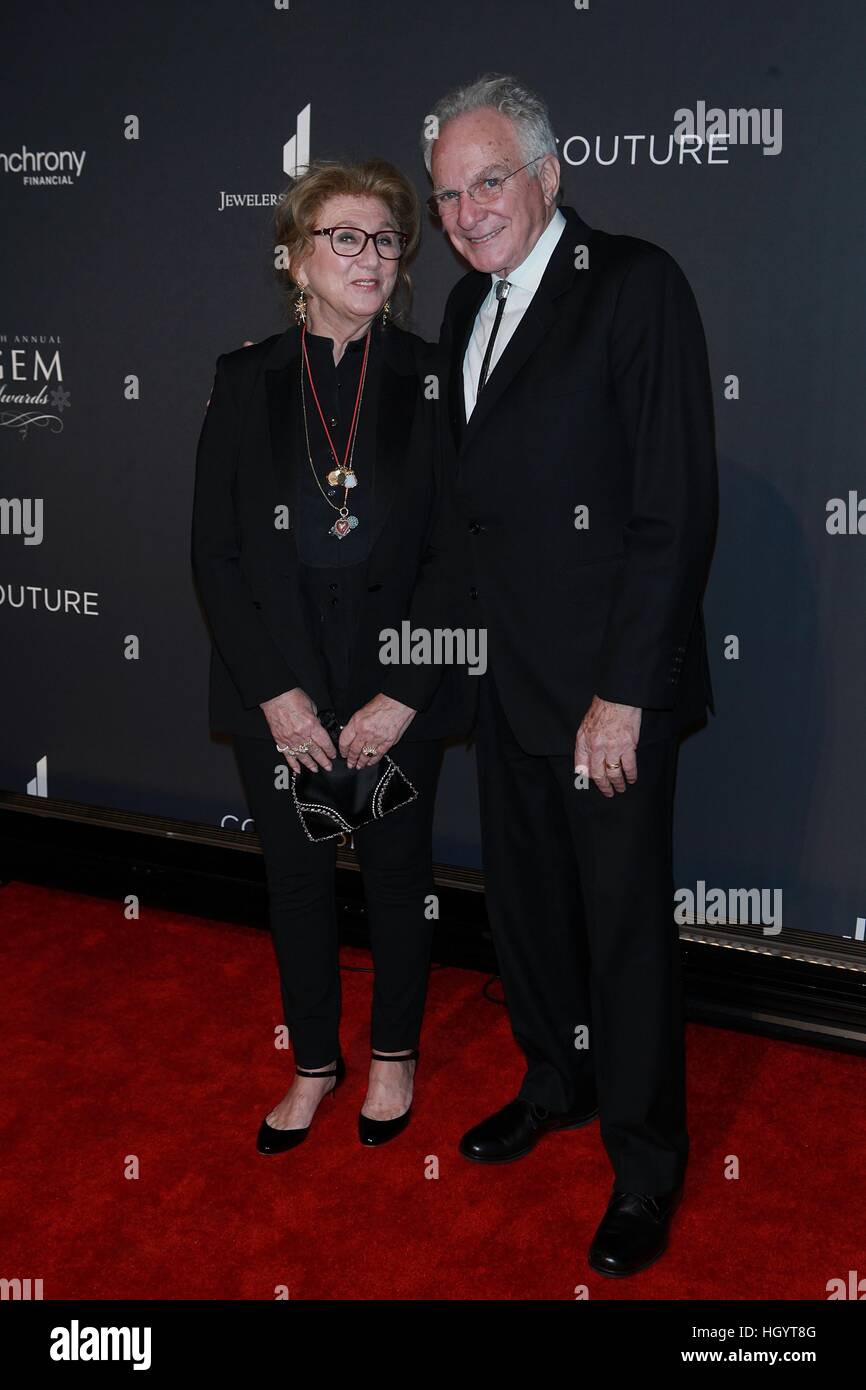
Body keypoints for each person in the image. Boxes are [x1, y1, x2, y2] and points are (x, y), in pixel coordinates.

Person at [422, 74, 718, 1276]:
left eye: (487, 180)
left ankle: (646, 1168)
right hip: (506, 682)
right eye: (446, 193)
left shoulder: (633, 286)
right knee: (529, 916)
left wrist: (623, 690)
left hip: (605, 697)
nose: (466, 210)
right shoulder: (459, 311)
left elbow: (672, 508)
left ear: (548, 175)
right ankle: (554, 1083)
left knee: (625, 934)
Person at [191, 158, 470, 1155]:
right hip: (283, 686)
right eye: (343, 236)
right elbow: (214, 555)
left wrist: (401, 694)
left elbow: (458, 551)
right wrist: (276, 697)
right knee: (298, 881)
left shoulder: (434, 377)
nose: (370, 255)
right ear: (296, 260)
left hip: (395, 686)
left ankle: (392, 1052)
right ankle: (314, 1063)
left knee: (398, 874)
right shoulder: (243, 377)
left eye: (387, 238)